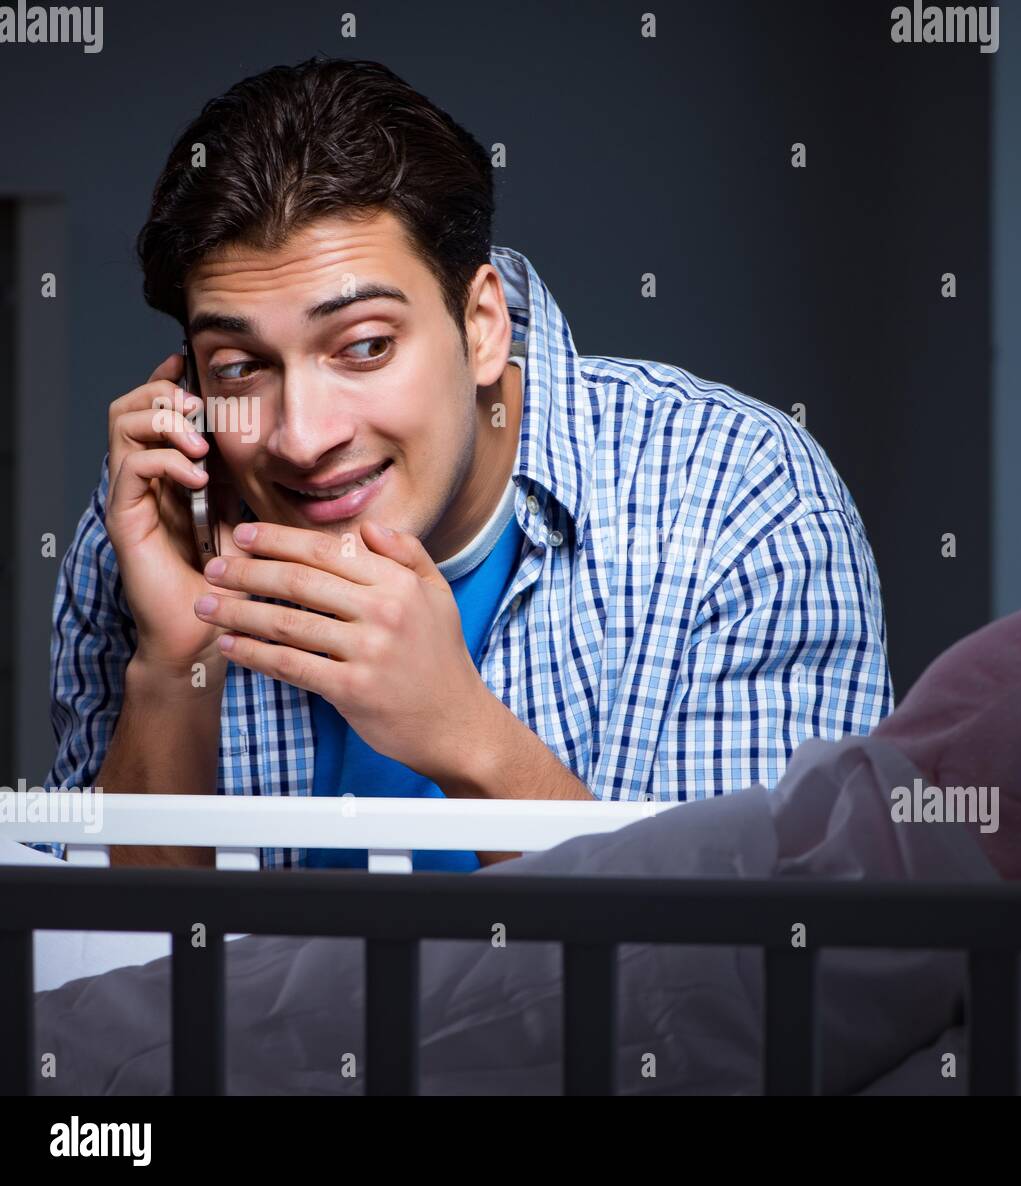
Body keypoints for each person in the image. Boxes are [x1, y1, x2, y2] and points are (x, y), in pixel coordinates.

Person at [37, 56, 892, 871]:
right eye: (239, 367)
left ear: (482, 324)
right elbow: (116, 996)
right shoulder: (147, 527)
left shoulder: (740, 501)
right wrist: (172, 663)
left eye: (365, 347)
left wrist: (463, 733)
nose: (302, 436)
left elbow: (750, 987)